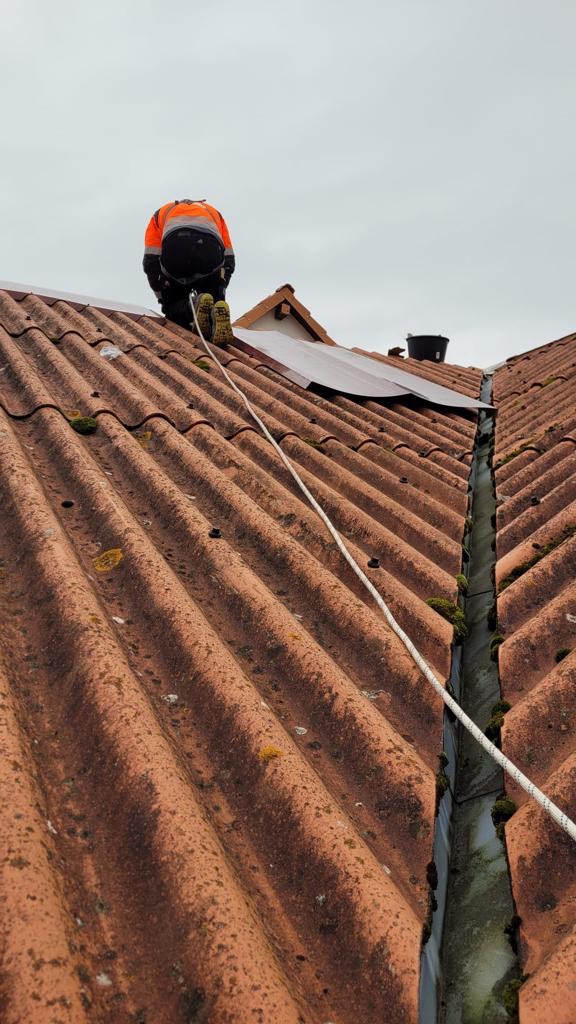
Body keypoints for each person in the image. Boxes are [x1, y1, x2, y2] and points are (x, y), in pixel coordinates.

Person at [143, 199, 235, 344]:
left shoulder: (161, 212)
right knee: (212, 296)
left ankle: (191, 306)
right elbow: (229, 259)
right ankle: (215, 310)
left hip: (176, 249)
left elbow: (150, 260)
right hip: (210, 250)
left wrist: (163, 296)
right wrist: (220, 289)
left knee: (173, 307)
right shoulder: (212, 211)